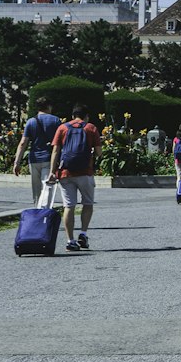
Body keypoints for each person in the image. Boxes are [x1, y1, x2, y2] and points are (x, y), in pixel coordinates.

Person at [47, 104, 102, 252]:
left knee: (69, 206)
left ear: (73, 116)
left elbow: (55, 151)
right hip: (85, 172)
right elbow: (98, 152)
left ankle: (70, 240)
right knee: (88, 203)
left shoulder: (63, 128)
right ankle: (83, 233)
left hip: (66, 173)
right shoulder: (91, 128)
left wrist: (53, 171)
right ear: (86, 116)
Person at [12, 98, 62, 204]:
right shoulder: (55, 120)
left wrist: (17, 162)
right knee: (47, 187)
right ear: (48, 106)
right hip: (49, 158)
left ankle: (36, 210)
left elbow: (22, 143)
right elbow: (60, 142)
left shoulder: (31, 122)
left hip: (34, 159)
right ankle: (44, 211)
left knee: (36, 189)